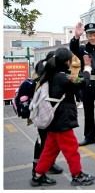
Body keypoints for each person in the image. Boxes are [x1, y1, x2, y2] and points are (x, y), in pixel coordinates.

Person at [30, 47, 95, 187]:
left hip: (53, 119)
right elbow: (82, 81)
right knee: (71, 150)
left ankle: (38, 175)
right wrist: (88, 67)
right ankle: (77, 175)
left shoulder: (51, 73)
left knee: (49, 151)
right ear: (67, 61)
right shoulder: (62, 77)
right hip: (62, 120)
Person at [31, 51, 64, 180]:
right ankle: (37, 171)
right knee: (43, 142)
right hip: (43, 114)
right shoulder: (46, 75)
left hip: (47, 114)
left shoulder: (46, 72)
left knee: (48, 142)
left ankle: (48, 165)